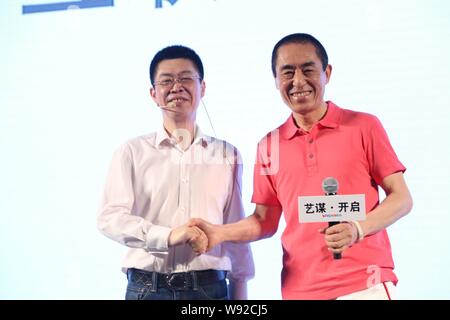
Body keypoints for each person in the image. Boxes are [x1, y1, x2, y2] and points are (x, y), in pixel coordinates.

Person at [189, 33, 413, 300]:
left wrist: (357, 228)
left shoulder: (364, 126)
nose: (298, 81)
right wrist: (219, 233)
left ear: (326, 73)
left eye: (308, 70)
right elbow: (264, 221)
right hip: (300, 290)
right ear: (275, 80)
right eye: (287, 72)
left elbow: (401, 198)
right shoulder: (268, 145)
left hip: (365, 284)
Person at [97, 45, 254, 300]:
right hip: (147, 288)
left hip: (210, 289)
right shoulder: (131, 152)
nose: (176, 87)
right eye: (166, 81)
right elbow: (110, 217)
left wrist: (240, 292)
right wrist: (167, 236)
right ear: (153, 93)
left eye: (185, 78)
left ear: (202, 88)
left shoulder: (227, 154)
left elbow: (234, 227)